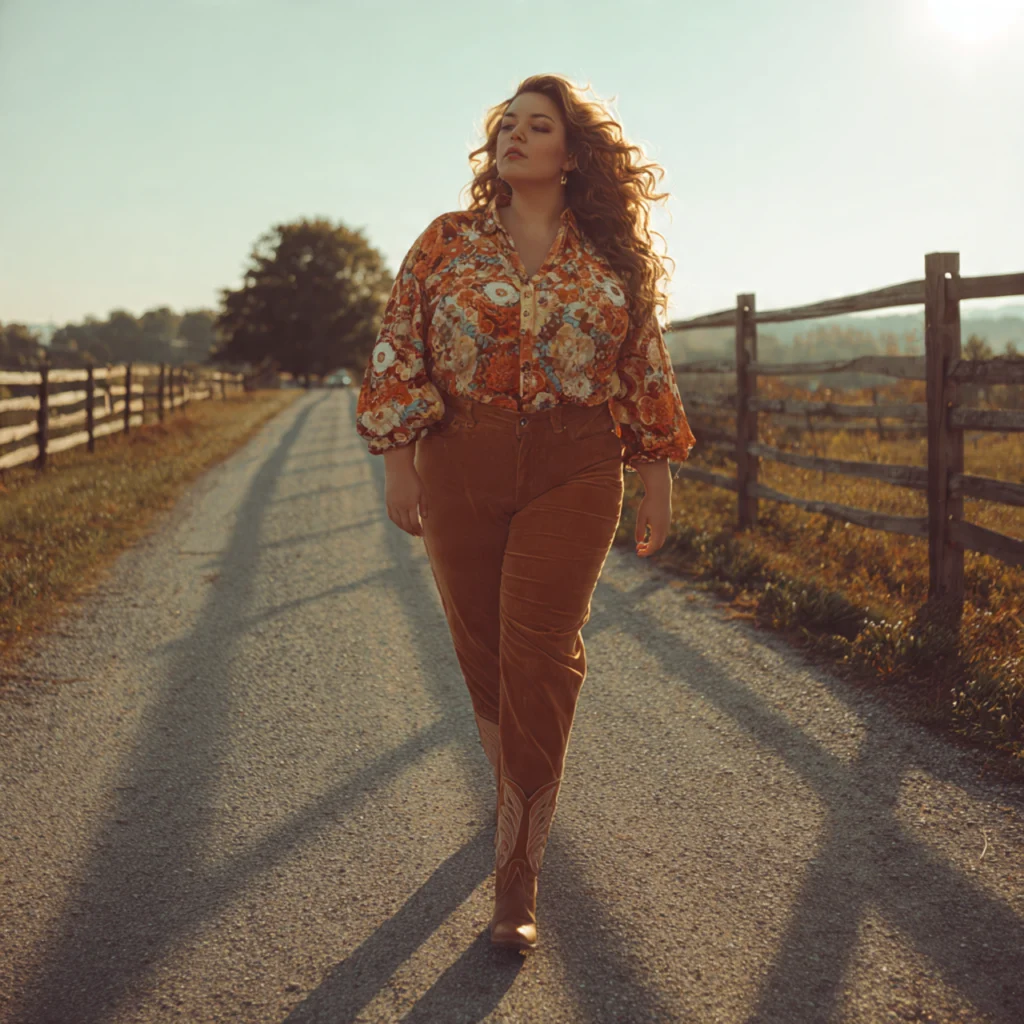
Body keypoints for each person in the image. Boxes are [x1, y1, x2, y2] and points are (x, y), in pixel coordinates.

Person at [355, 73, 695, 952]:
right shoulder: (447, 242)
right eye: (507, 123)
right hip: (459, 460)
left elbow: (643, 365)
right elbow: (398, 346)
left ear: (572, 155)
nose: (515, 135)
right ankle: (517, 804)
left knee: (538, 653)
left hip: (575, 464)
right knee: (486, 658)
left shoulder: (608, 260)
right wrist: (399, 464)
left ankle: (517, 882)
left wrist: (656, 475)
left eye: (538, 126)